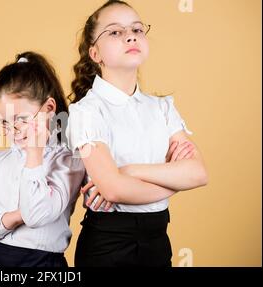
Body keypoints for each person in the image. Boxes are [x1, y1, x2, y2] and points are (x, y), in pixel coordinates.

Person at [66, 0, 208, 267]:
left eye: (137, 29)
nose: (131, 35)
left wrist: (129, 171)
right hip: (108, 244)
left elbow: (198, 173)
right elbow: (113, 189)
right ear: (95, 53)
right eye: (115, 32)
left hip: (157, 239)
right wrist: (174, 179)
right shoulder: (86, 112)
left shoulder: (162, 107)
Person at [0, 51, 85, 267]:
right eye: (4, 122)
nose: (14, 130)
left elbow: (36, 215)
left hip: (45, 265)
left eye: (22, 119)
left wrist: (34, 153)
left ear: (48, 109)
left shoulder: (68, 161)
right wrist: (16, 217)